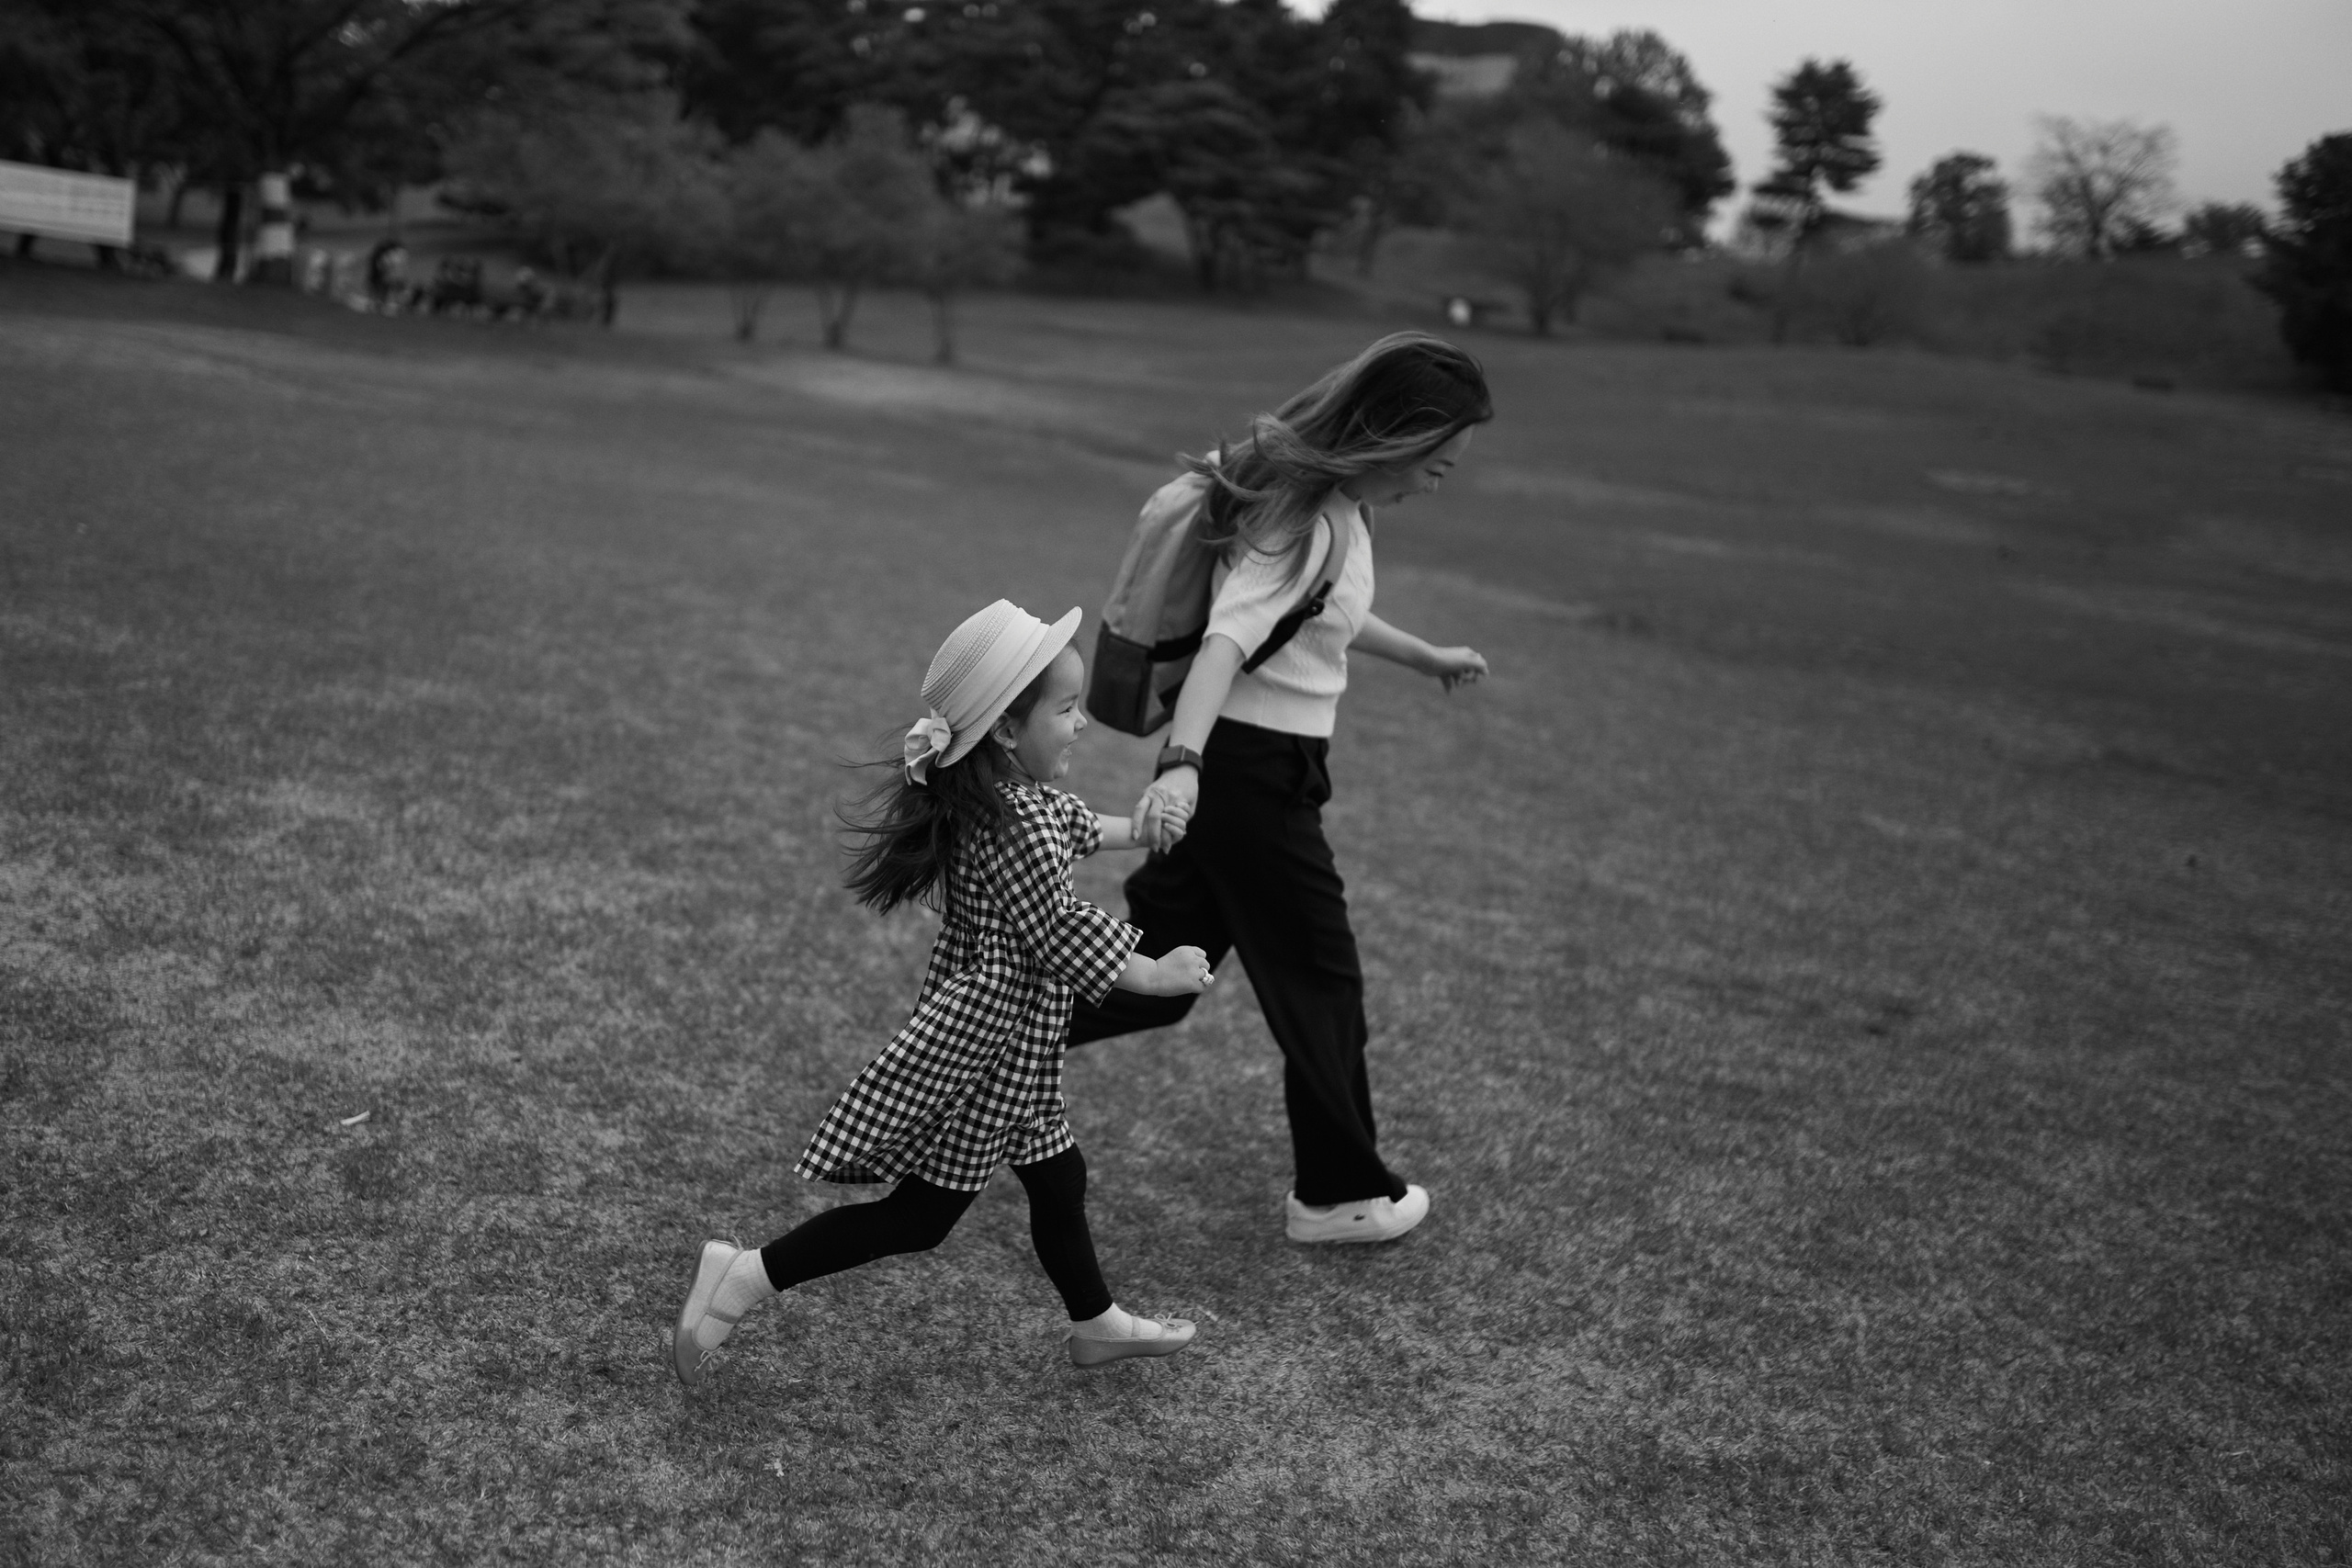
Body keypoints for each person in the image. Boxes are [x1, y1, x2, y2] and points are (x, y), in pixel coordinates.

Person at [673, 600, 1216, 1388]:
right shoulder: (1014, 822)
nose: (1083, 723)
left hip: (1018, 1047)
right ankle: (744, 1274)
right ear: (1004, 730)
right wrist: (1153, 971)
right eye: (1067, 709)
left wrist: (1145, 823)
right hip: (994, 1049)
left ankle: (1095, 1322)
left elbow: (1080, 826)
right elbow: (1059, 929)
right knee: (921, 1218)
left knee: (1060, 1179)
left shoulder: (1007, 801)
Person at [1070, 332, 1494, 1247]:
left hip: (1255, 773)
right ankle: (1339, 1194)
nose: (1438, 483)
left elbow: (1323, 611)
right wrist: (1184, 765)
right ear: (1395, 438)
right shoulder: (1303, 517)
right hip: (1246, 779)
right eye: (1438, 465)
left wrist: (1425, 656)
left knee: (1155, 979)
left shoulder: (1333, 510)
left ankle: (951, 1065)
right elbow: (1230, 637)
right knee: (1321, 983)